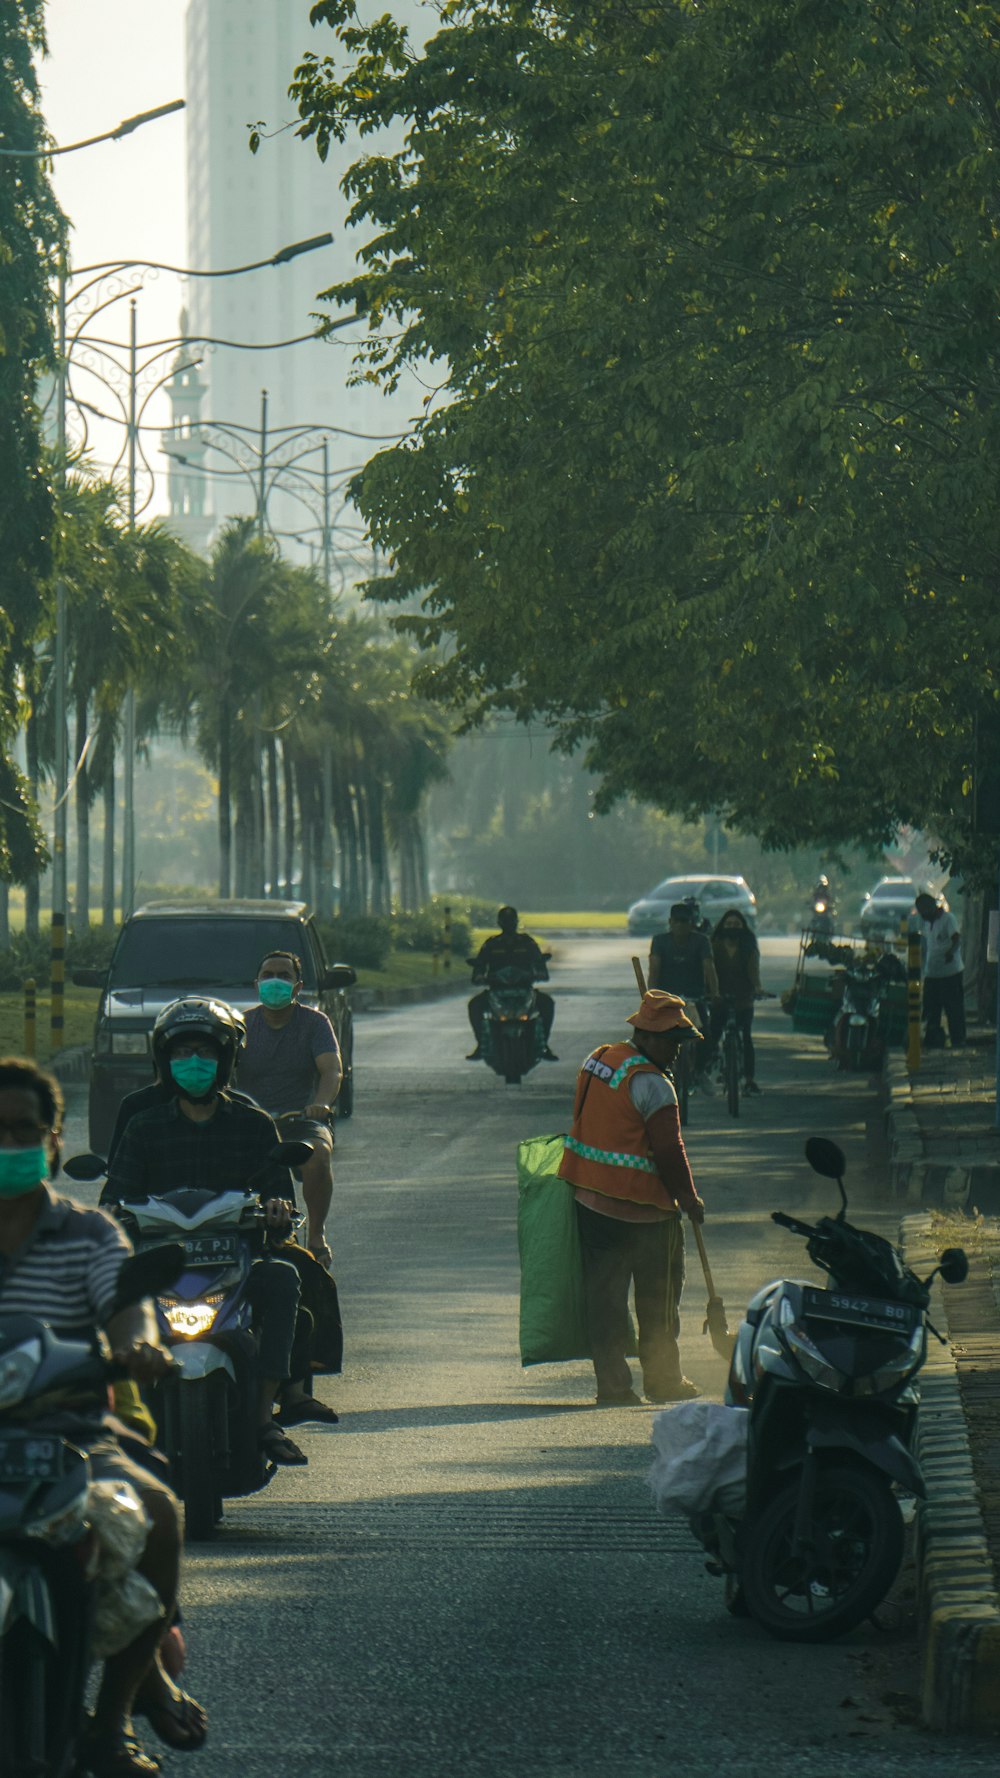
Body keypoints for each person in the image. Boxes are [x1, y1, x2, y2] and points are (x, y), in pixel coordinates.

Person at [0, 1055, 206, 1776]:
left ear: (53, 1141)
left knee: (158, 1510)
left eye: (22, 1130)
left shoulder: (90, 1234)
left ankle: (113, 1722)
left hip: (72, 1435)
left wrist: (139, 1350)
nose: (7, 1144)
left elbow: (127, 1307)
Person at [106, 997, 322, 1464]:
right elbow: (115, 1197)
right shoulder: (143, 1126)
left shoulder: (254, 1123)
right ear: (164, 1062)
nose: (194, 1063)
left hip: (235, 1266)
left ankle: (265, 1416)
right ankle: (116, 1420)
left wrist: (278, 1211)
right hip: (159, 1266)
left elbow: (276, 1193)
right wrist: (114, 1218)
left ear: (226, 1060)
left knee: (285, 1279)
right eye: (182, 1054)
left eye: (205, 1053)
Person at [557, 991, 706, 1406]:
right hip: (645, 1214)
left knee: (604, 1301)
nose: (676, 1053)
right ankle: (662, 1380)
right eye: (672, 1043)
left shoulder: (599, 1059)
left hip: (590, 1202)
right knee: (657, 1302)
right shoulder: (655, 1087)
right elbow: (669, 1153)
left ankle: (613, 1386)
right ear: (649, 1036)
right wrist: (689, 1200)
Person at [236, 951, 342, 1272]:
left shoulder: (315, 1023)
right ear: (257, 983)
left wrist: (321, 1104)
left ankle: (317, 1235)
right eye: (268, 975)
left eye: (284, 976)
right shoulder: (242, 1024)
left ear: (297, 986)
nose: (275, 981)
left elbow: (331, 1071)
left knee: (318, 1155)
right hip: (252, 1123)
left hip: (300, 1120)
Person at [467, 905, 556, 1060]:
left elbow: (539, 963)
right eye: (505, 921)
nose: (509, 924)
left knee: (547, 1004)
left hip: (524, 990)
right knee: (474, 1005)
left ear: (516, 922)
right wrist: (479, 976)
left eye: (511, 920)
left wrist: (539, 973)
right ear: (499, 923)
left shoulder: (527, 943)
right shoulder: (492, 944)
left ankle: (544, 1045)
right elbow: (480, 965)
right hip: (496, 991)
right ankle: (481, 1044)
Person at [647, 902, 719, 1089]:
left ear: (692, 923)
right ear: (670, 922)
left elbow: (708, 967)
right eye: (677, 921)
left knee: (706, 1037)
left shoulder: (701, 941)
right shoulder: (660, 941)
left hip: (695, 997)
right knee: (655, 1036)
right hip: (667, 998)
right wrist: (651, 996)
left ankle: (700, 1070)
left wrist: (715, 993)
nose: (680, 925)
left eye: (685, 921)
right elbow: (654, 969)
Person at [709, 910, 763, 1094]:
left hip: (743, 999)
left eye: (736, 924)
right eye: (729, 924)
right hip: (718, 998)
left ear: (743, 928)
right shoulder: (713, 946)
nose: (733, 927)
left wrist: (757, 988)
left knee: (746, 1037)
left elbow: (753, 970)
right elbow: (707, 970)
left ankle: (749, 1080)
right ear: (723, 926)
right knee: (712, 1034)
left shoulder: (749, 947)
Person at [915, 890, 966, 1049]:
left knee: (953, 1009)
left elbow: (956, 940)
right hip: (932, 974)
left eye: (923, 911)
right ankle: (933, 1039)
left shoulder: (948, 919)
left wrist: (950, 953)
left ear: (931, 907)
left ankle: (958, 1040)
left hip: (950, 973)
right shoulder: (927, 923)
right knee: (931, 1009)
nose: (921, 915)